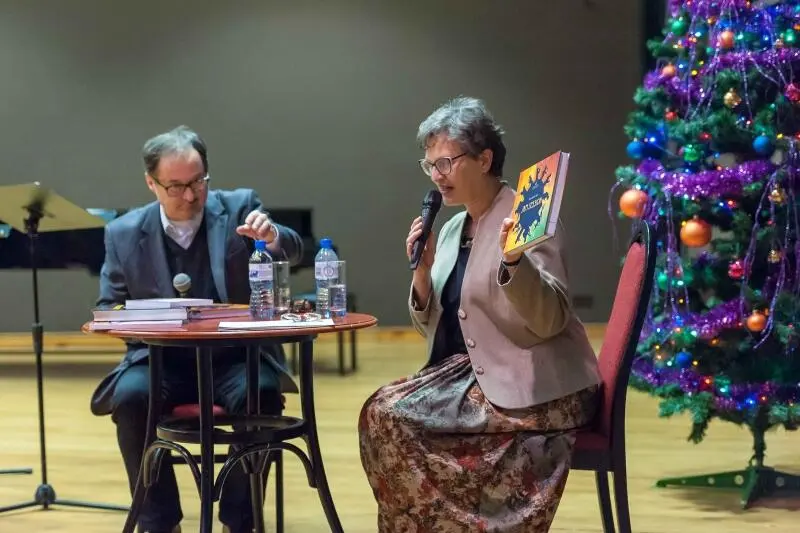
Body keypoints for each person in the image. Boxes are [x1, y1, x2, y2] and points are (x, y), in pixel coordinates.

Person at [358, 97, 602, 532]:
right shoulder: (454, 227)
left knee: (389, 416)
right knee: (380, 411)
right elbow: (438, 326)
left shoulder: (527, 215)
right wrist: (422, 272)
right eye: (430, 165)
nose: (437, 175)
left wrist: (514, 263)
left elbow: (550, 321)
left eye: (446, 162)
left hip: (539, 384)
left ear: (485, 159)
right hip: (472, 374)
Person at [90, 125, 303, 533]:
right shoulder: (123, 233)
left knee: (262, 395)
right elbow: (108, 306)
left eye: (198, 182)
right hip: (159, 360)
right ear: (151, 183)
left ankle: (240, 521)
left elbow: (292, 250)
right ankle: (159, 522)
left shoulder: (240, 207)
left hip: (235, 359)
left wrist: (273, 236)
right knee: (130, 398)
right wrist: (153, 319)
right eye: (176, 187)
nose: (190, 195)